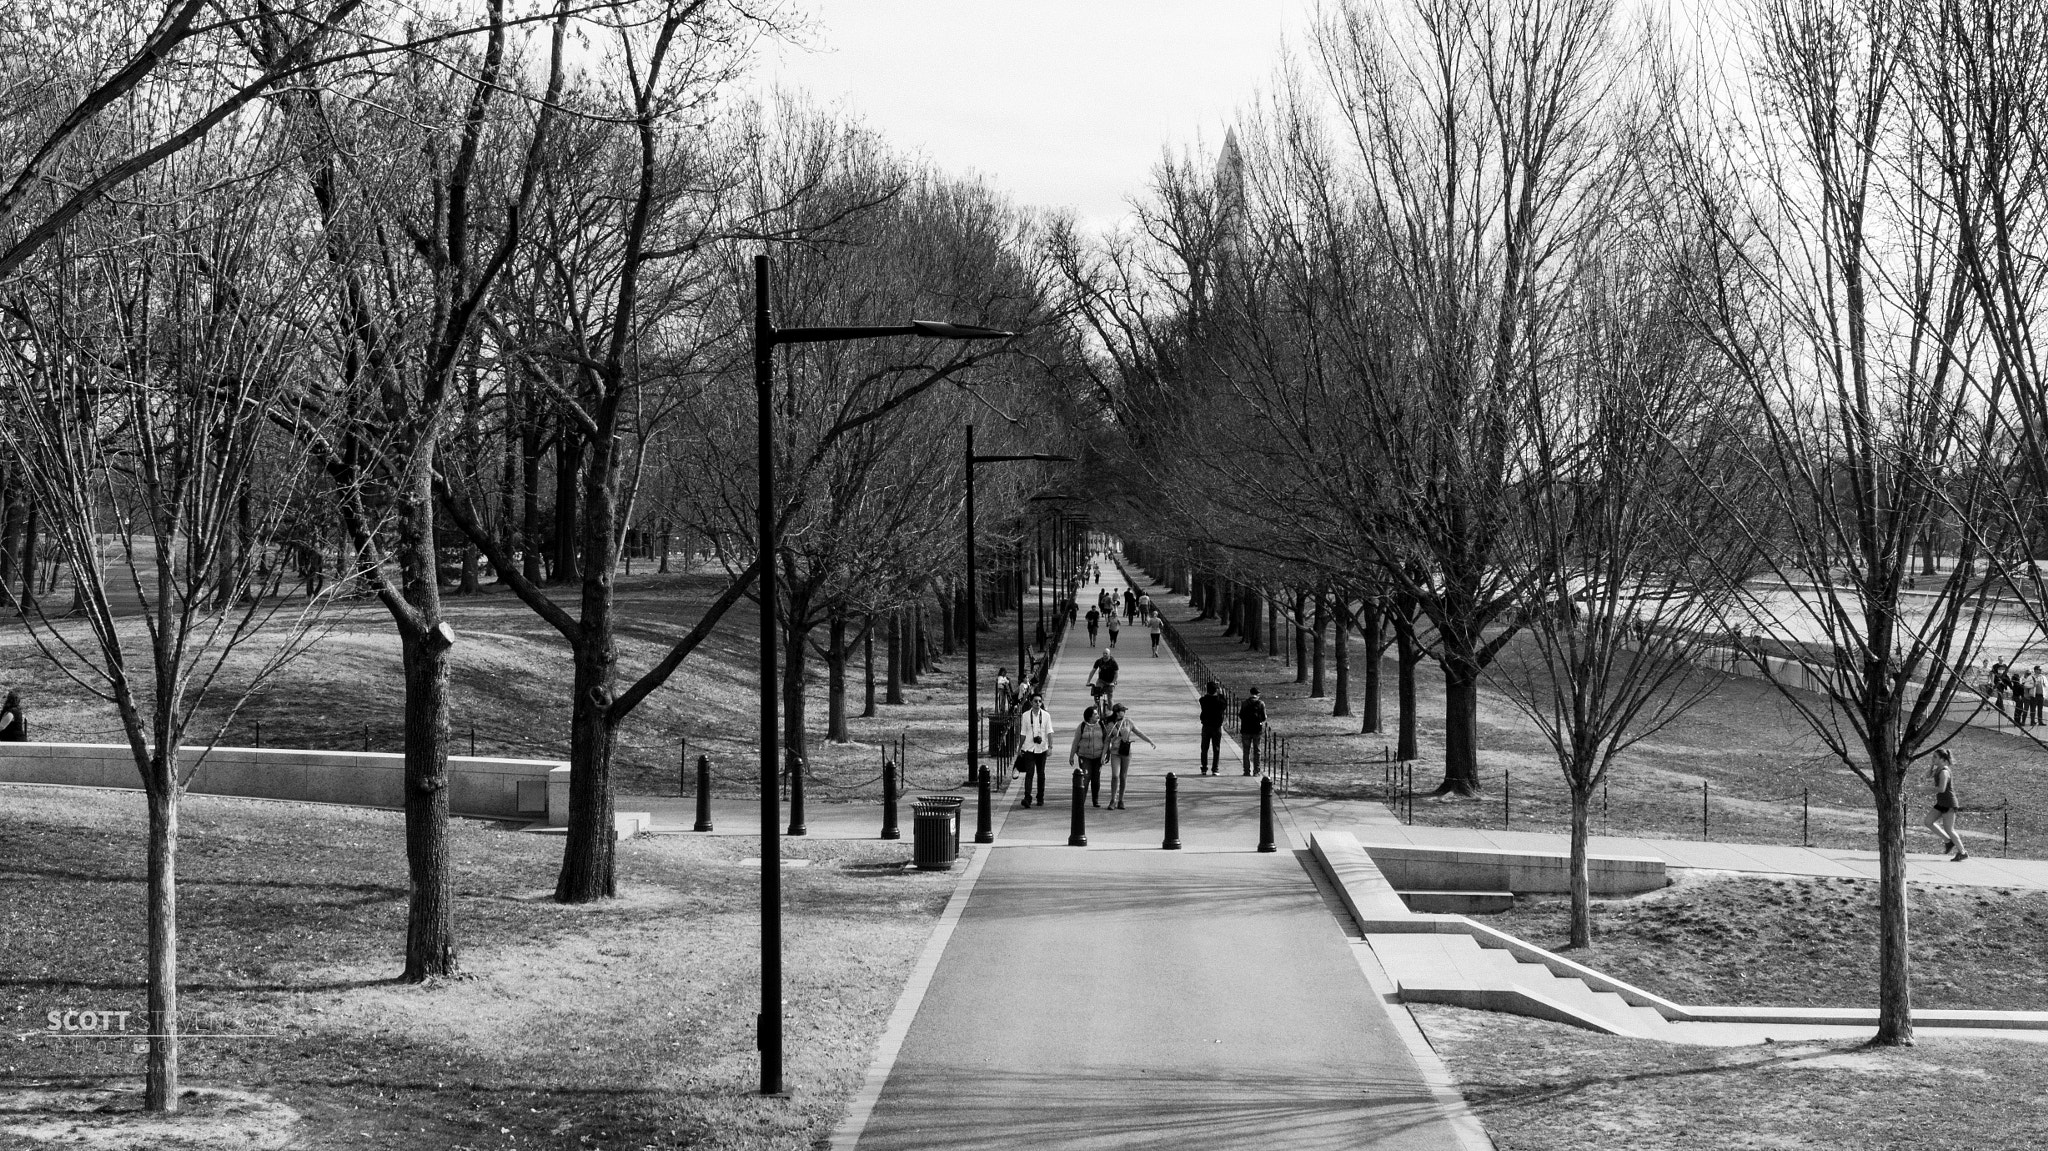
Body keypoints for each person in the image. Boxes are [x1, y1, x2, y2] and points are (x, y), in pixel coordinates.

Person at [1104, 703, 1158, 810]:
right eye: (1122, 710)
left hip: (1126, 752)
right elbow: (1107, 740)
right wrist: (1104, 754)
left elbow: (1139, 732)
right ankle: (1112, 800)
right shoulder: (1111, 724)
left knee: (1123, 776)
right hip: (1115, 752)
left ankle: (1121, 800)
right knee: (1115, 775)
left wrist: (1150, 741)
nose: (1124, 712)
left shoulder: (1128, 722)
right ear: (1117, 712)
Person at [1920, 748, 1968, 861]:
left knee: (1949, 829)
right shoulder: (1938, 769)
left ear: (1942, 759)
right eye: (1933, 757)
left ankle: (1963, 852)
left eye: (1935, 757)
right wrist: (1931, 765)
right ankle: (1948, 841)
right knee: (1928, 822)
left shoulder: (1944, 772)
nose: (1933, 759)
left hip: (1949, 803)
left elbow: (1941, 789)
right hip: (1941, 802)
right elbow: (1927, 775)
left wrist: (1924, 789)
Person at [1016, 694, 1054, 807]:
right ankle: (1027, 798)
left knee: (1041, 774)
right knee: (1029, 773)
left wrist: (1050, 747)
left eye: (1039, 701)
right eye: (1035, 701)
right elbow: (1023, 733)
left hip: (1042, 748)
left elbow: (1049, 732)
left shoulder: (1046, 716)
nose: (1038, 703)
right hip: (1029, 748)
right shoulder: (1026, 715)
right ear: (1031, 702)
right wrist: (1020, 748)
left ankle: (1040, 797)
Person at [1068, 705, 1110, 807]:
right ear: (1089, 716)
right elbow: (1076, 741)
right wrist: (1071, 755)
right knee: (1085, 778)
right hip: (1085, 756)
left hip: (1098, 756)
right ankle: (1081, 801)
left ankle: (1095, 800)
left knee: (1096, 779)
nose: (1097, 716)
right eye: (1095, 714)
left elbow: (1106, 741)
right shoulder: (1082, 726)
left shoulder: (1101, 725)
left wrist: (1104, 755)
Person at [1198, 680, 1229, 774]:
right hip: (1216, 727)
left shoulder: (1204, 700)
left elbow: (1202, 699)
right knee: (1216, 748)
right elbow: (1225, 702)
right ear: (1216, 690)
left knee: (1204, 748)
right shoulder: (1219, 701)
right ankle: (1215, 768)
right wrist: (1220, 692)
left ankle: (1204, 767)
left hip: (1206, 726)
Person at [1239, 685, 1267, 775]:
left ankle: (1246, 771)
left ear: (1250, 693)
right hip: (1256, 730)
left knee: (1246, 751)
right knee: (1257, 751)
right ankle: (1256, 770)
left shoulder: (1244, 703)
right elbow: (1264, 717)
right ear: (1257, 694)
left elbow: (1241, 715)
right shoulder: (1261, 703)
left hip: (1246, 730)